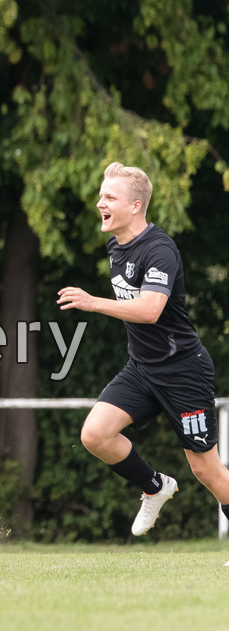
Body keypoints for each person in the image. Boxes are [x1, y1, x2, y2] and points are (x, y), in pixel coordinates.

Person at [58, 161, 229, 537]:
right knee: (95, 435)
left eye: (109, 197)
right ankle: (155, 487)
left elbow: (150, 311)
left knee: (206, 470)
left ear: (135, 206)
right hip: (142, 369)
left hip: (184, 371)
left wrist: (92, 302)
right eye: (101, 195)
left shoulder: (160, 249)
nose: (100, 203)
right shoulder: (115, 247)